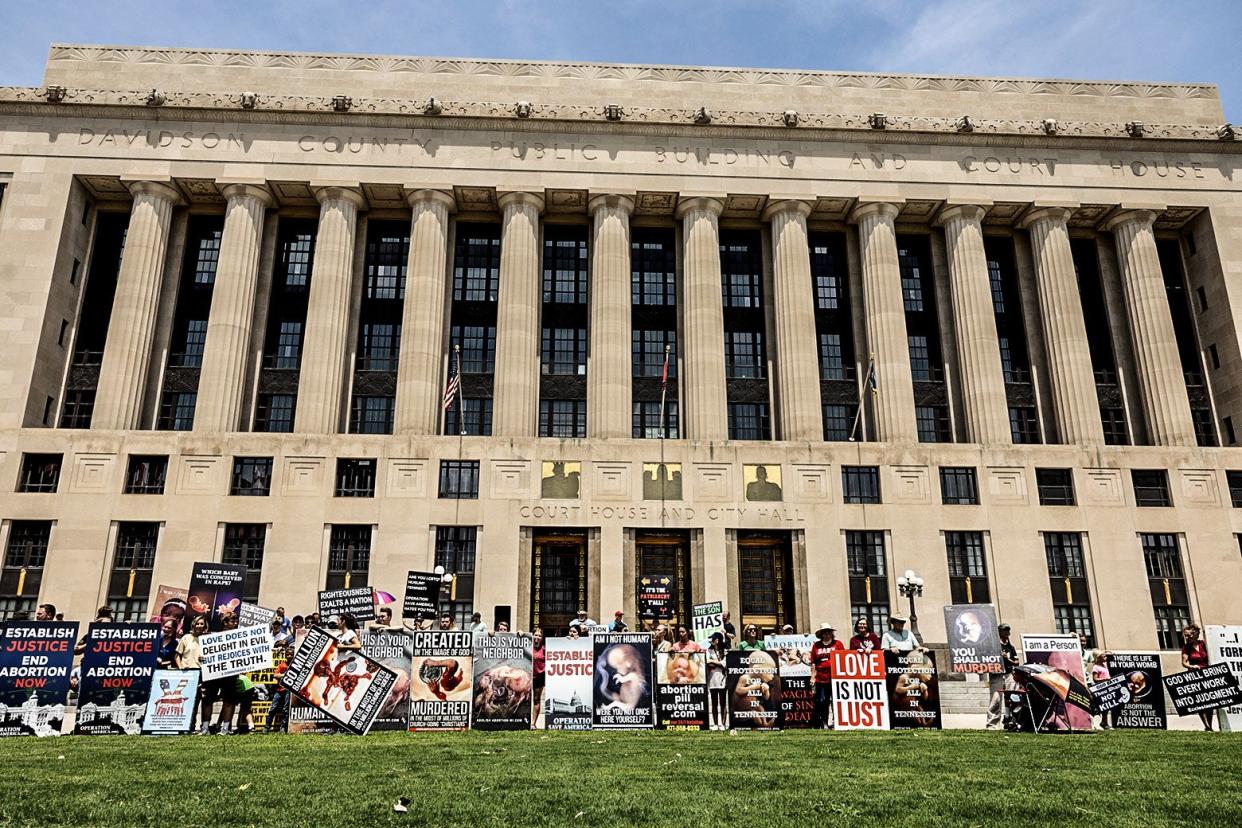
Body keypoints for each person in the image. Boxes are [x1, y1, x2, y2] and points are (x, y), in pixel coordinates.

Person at [175, 615, 209, 732]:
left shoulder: (207, 639)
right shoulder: (186, 638)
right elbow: (177, 655)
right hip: (187, 672)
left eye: (202, 624)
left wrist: (205, 659)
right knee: (186, 700)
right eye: (198, 623)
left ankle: (194, 726)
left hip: (201, 672)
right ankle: (185, 726)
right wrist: (180, 669)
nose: (199, 626)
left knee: (199, 700)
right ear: (193, 624)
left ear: (205, 626)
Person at [986, 623, 1020, 730]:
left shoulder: (1011, 647)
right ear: (999, 632)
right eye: (1004, 630)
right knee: (995, 699)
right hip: (997, 675)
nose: (1007, 632)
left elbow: (1017, 662)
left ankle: (1009, 721)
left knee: (1011, 698)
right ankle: (992, 725)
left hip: (1009, 674)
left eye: (1008, 630)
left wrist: (1007, 659)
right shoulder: (994, 645)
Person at [809, 622, 843, 729]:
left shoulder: (838, 644)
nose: (827, 634)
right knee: (823, 701)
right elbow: (813, 662)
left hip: (836, 677)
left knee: (837, 700)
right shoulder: (816, 646)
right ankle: (824, 723)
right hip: (821, 678)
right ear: (821, 634)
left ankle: (837, 722)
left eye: (829, 632)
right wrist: (813, 676)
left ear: (832, 633)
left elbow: (843, 658)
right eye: (825, 632)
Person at [1181, 624, 1214, 731]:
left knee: (1210, 701)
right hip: (1195, 675)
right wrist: (1192, 666)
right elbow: (1184, 662)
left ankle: (1210, 724)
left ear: (1195, 634)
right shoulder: (1186, 648)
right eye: (1185, 636)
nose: (1187, 638)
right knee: (1200, 701)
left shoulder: (1204, 644)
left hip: (1207, 674)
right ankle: (1206, 726)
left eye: (1188, 635)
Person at [704, 632, 728, 730]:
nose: (713, 641)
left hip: (722, 678)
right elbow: (707, 662)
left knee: (723, 702)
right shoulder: (709, 650)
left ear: (718, 640)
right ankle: (715, 723)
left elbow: (724, 664)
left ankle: (722, 723)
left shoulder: (725, 651)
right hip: (712, 678)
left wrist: (713, 662)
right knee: (714, 702)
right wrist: (716, 663)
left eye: (714, 639)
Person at [531, 628, 546, 727]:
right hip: (527, 676)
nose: (537, 637)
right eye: (535, 635)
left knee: (536, 699)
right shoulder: (526, 646)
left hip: (539, 676)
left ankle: (533, 723)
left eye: (539, 636)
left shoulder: (544, 649)